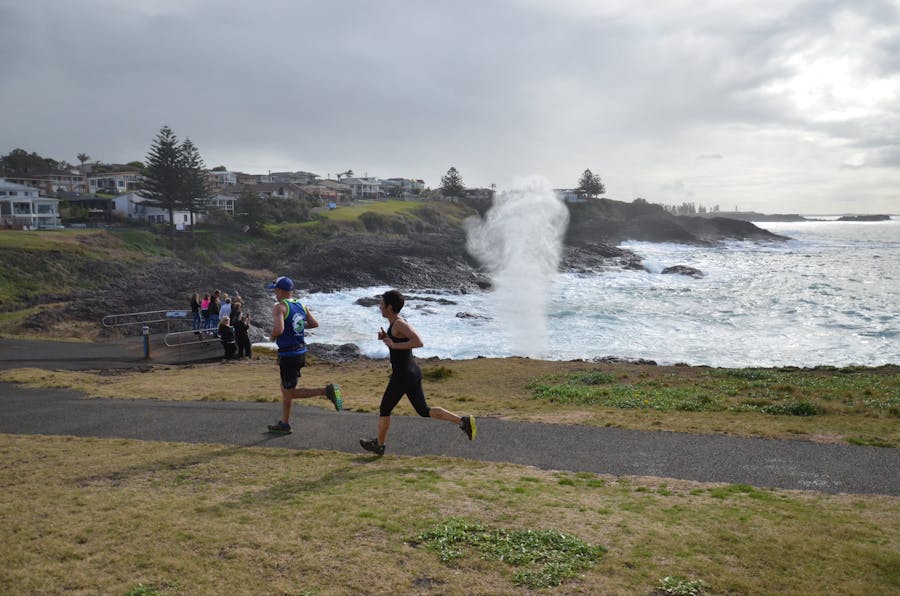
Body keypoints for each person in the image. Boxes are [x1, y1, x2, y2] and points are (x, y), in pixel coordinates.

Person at [359, 289, 475, 456]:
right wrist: (388, 340)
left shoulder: (399, 324)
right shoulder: (396, 323)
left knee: (385, 408)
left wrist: (393, 345)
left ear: (390, 307)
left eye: (382, 304)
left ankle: (379, 445)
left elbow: (418, 342)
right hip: (411, 372)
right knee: (423, 410)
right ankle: (463, 421)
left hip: (403, 375)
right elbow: (401, 342)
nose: (380, 307)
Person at [266, 276, 343, 434]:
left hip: (289, 354)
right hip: (300, 351)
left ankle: (327, 391)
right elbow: (314, 323)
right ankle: (284, 423)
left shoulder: (279, 307)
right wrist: (297, 326)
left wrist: (272, 336)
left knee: (290, 392)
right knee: (285, 389)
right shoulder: (300, 304)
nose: (274, 293)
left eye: (275, 290)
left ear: (280, 290)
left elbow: (279, 330)